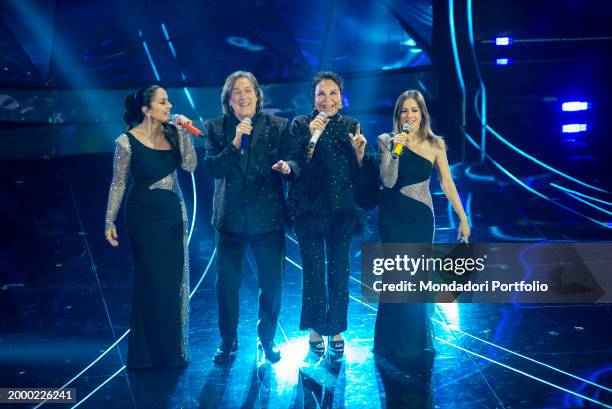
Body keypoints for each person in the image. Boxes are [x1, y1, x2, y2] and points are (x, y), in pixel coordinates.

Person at [286, 71, 378, 358]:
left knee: (340, 272)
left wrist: (361, 155)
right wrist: (311, 137)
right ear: (313, 99)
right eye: (321, 94)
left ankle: (336, 328)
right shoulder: (301, 125)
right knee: (313, 272)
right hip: (310, 210)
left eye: (333, 93)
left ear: (341, 97)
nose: (327, 99)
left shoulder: (352, 125)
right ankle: (315, 329)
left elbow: (362, 170)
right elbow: (297, 164)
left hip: (341, 210)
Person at [104, 85, 197, 369]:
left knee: (173, 282)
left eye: (168, 101)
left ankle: (172, 351)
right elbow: (118, 183)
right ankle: (145, 354)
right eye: (163, 102)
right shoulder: (126, 142)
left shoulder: (173, 133)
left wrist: (184, 133)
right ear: (146, 109)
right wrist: (109, 220)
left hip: (172, 216)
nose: (169, 106)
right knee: (150, 282)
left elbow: (191, 166)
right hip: (143, 218)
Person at [374, 89, 470, 360]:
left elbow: (447, 182)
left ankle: (413, 341)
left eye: (414, 110)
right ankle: (390, 341)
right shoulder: (386, 140)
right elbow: (389, 179)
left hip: (420, 218)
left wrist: (462, 217)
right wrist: (397, 147)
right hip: (392, 217)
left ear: (422, 114)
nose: (409, 115)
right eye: (404, 110)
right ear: (398, 115)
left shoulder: (435, 145)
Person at [203, 71, 292, 364]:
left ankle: (266, 337)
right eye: (236, 92)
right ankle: (228, 340)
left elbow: (293, 159)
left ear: (257, 96)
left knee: (273, 283)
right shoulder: (215, 129)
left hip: (268, 218)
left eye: (247, 91)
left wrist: (288, 166)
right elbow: (215, 169)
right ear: (228, 101)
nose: (243, 96)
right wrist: (235, 141)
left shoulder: (278, 127)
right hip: (230, 221)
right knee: (227, 285)